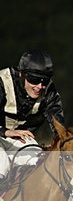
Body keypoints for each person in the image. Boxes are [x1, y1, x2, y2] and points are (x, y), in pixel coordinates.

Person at [0, 50, 65, 191]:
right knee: (2, 163)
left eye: (44, 81)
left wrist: (61, 142)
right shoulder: (2, 81)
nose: (39, 87)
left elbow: (57, 122)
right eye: (34, 80)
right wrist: (6, 132)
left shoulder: (48, 90)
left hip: (20, 140)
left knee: (38, 162)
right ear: (21, 74)